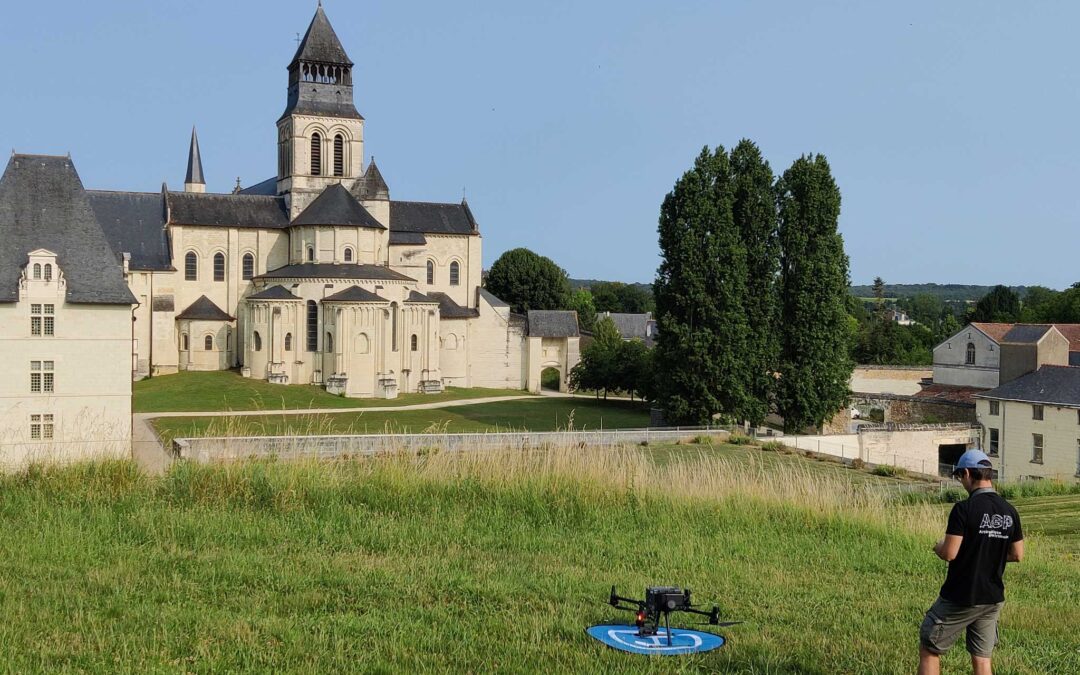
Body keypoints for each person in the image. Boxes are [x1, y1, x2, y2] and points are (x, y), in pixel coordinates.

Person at [918, 449, 1024, 675]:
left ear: (966, 473)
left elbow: (949, 553)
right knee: (982, 658)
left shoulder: (963, 509)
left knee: (930, 646)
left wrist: (937, 546)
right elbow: (1017, 554)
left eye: (959, 476)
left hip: (962, 596)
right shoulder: (1009, 510)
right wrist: (990, 551)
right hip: (992, 597)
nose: (960, 481)